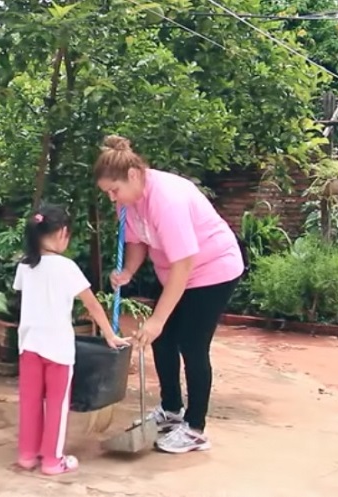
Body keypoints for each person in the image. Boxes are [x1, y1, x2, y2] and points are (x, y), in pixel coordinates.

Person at [94, 135, 244, 454]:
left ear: (133, 175)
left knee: (191, 343)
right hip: (176, 272)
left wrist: (158, 319)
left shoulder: (167, 200)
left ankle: (195, 428)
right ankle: (171, 409)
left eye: (114, 190)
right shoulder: (129, 202)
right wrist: (128, 271)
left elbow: (184, 264)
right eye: (107, 192)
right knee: (162, 340)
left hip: (212, 269)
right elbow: (137, 241)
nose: (111, 197)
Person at [14, 204, 130, 475]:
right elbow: (92, 304)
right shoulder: (67, 267)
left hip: (29, 345)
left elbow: (23, 296)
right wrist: (110, 334)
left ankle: (27, 456)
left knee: (30, 402)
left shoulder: (25, 266)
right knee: (57, 404)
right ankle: (52, 461)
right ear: (62, 233)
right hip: (58, 349)